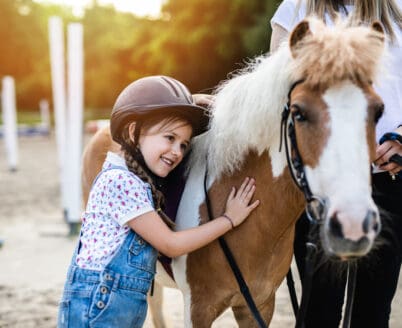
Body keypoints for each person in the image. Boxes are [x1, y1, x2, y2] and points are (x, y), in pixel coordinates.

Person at [57, 75, 260, 328]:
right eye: (169, 138)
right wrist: (228, 220)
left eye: (184, 145)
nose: (177, 151)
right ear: (133, 132)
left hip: (116, 308)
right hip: (97, 308)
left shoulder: (136, 183)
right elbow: (171, 244)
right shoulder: (120, 182)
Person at [270, 1, 402, 327]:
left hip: (390, 176)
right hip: (319, 184)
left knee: (373, 311)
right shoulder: (294, 9)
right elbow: (275, 95)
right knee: (319, 310)